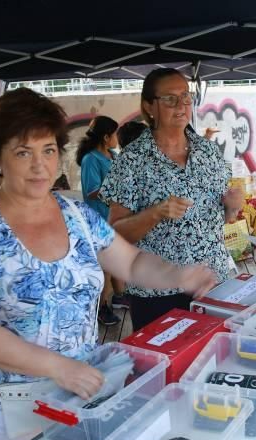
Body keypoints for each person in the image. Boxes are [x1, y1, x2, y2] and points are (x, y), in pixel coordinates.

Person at [0, 88, 216, 440]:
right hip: (17, 397)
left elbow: (132, 263)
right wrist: (57, 367)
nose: (40, 165)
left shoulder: (75, 214)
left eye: (49, 150)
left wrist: (180, 276)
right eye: (24, 152)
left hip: (82, 383)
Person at [101, 68, 245, 331]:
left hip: (212, 284)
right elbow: (114, 236)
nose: (181, 105)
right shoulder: (131, 161)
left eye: (186, 97)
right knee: (166, 368)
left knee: (214, 364)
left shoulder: (209, 151)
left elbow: (217, 219)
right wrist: (155, 213)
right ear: (149, 106)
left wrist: (231, 208)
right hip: (157, 295)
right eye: (170, 99)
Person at [75, 116, 123, 326]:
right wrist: (116, 192)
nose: (116, 138)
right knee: (104, 267)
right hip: (99, 220)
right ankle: (101, 307)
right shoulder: (90, 160)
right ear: (106, 137)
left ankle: (120, 296)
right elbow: (91, 191)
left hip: (115, 217)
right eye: (114, 134)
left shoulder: (112, 155)